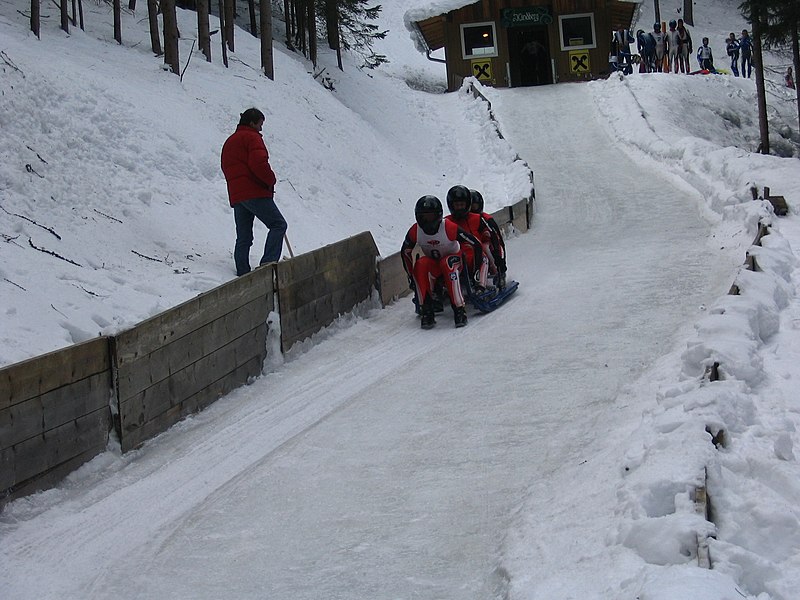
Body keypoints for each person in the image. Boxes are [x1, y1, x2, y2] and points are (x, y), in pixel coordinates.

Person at [220, 107, 287, 277]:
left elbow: (226, 166)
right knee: (278, 224)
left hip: (237, 195)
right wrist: (270, 180)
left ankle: (242, 272)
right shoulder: (252, 138)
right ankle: (268, 265)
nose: (261, 128)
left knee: (244, 236)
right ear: (252, 122)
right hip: (255, 191)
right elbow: (259, 164)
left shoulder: (230, 141)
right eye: (260, 124)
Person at [400, 195, 482, 329]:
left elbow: (475, 244)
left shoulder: (448, 227)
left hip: (455, 262)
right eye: (424, 217)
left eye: (431, 216)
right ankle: (427, 310)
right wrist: (411, 276)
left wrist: (476, 269)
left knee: (447, 263)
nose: (427, 221)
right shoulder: (416, 230)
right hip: (434, 264)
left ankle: (459, 309)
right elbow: (405, 252)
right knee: (421, 264)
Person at [444, 185, 491, 291]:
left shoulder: (478, 218)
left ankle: (481, 285)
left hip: (475, 254)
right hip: (457, 255)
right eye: (457, 205)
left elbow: (488, 233)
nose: (460, 208)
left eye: (462, 205)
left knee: (484, 255)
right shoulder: (446, 222)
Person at [469, 189, 508, 289]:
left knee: (485, 247)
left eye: (474, 206)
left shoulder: (486, 219)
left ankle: (497, 274)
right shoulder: (461, 221)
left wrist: (500, 261)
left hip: (486, 249)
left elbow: (497, 239)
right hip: (469, 249)